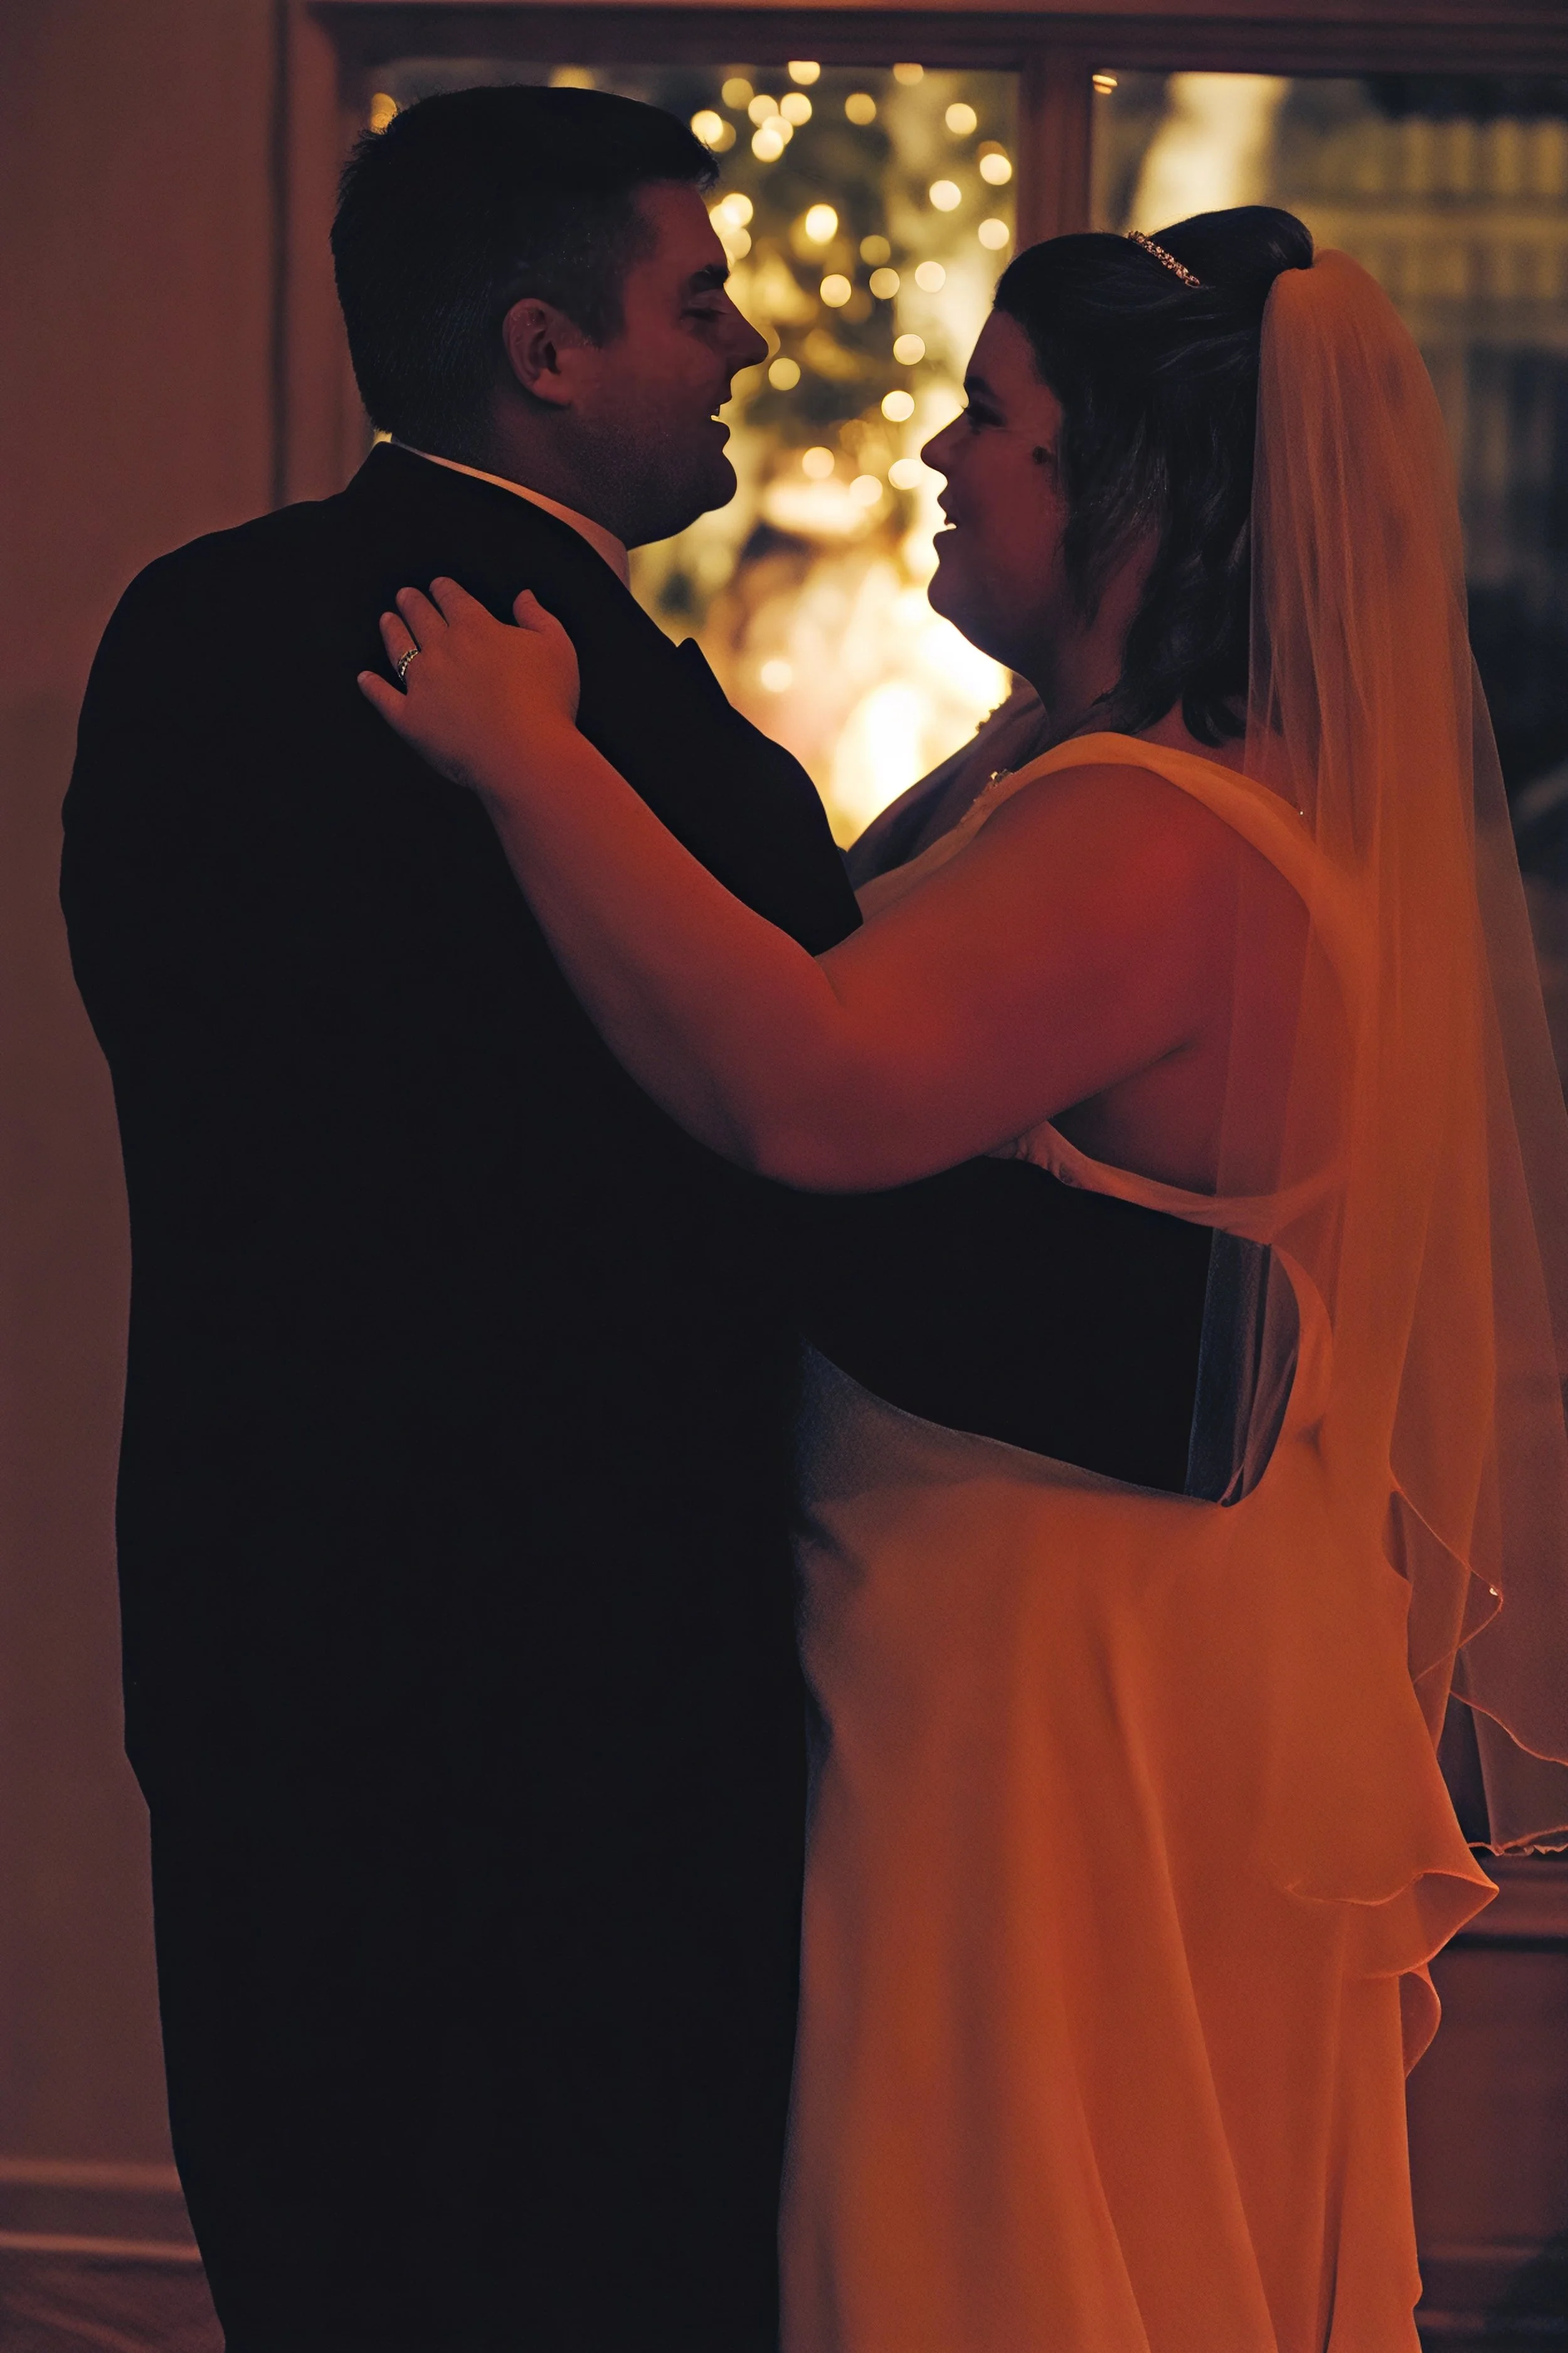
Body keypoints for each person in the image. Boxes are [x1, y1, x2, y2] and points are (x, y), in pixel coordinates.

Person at [60, 87, 1216, 2350]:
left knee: (320, 2247)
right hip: (585, 1698)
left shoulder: (186, 633)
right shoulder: (663, 763)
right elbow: (839, 1211)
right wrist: (1236, 1341)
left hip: (251, 1620)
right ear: (543, 350)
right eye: (699, 305)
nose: (748, 348)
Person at [357, 209, 1568, 2350]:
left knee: (991, 2209)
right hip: (1073, 1619)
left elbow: (807, 1086)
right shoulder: (1085, 778)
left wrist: (529, 758)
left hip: (1048, 1661)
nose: (937, 452)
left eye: (992, 418)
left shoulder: (1149, 830)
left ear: (1129, 486)